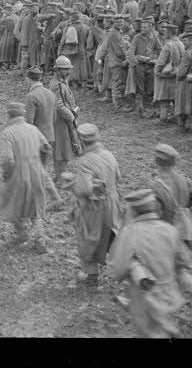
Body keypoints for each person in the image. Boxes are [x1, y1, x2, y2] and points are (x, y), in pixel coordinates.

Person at [108, 189, 192, 338]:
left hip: (144, 296)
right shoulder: (170, 230)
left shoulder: (129, 232)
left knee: (151, 332)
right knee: (164, 325)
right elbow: (183, 262)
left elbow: (117, 269)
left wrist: (131, 267)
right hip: (170, 294)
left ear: (134, 211)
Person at [59, 123, 122, 289]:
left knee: (88, 239)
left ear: (81, 141)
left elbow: (84, 190)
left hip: (94, 206)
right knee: (111, 237)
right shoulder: (109, 155)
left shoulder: (85, 161)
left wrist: (72, 182)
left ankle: (92, 276)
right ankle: (128, 269)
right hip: (112, 202)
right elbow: (118, 176)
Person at [0, 101, 53, 252]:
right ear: (22, 114)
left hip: (18, 175)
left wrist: (6, 175)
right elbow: (47, 149)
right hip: (36, 173)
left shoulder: (7, 133)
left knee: (13, 205)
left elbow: (8, 160)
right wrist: (42, 166)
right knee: (35, 209)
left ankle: (21, 233)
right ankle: (40, 240)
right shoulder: (33, 129)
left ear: (9, 115)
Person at [147, 143, 192, 253]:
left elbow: (154, 216)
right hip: (183, 234)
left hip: (165, 237)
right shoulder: (184, 180)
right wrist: (183, 207)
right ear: (174, 163)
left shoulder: (156, 187)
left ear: (156, 162)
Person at [50, 56, 80, 177]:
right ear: (58, 70)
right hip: (60, 122)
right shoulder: (56, 84)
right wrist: (71, 117)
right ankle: (59, 177)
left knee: (66, 148)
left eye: (68, 69)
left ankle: (61, 175)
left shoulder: (62, 81)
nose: (68, 72)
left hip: (66, 120)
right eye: (65, 69)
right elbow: (58, 105)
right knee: (61, 149)